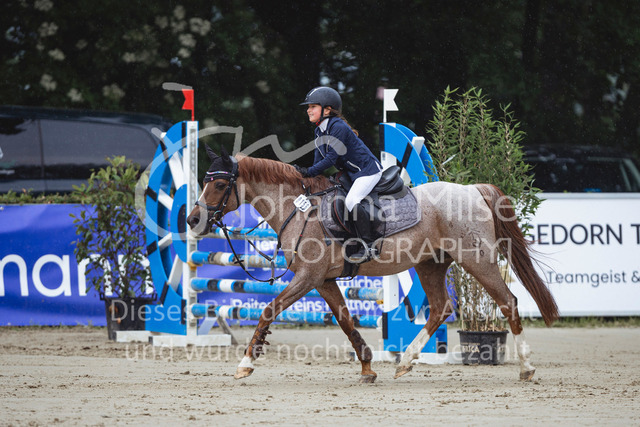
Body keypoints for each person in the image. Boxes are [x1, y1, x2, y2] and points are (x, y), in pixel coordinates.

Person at [296, 86, 382, 261]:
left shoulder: (338, 127)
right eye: (308, 107)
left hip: (367, 171)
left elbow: (330, 159)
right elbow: (318, 160)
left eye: (313, 106)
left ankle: (369, 246)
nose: (308, 110)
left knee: (351, 201)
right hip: (351, 173)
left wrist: (309, 171)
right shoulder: (319, 130)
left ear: (327, 109)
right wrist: (307, 176)